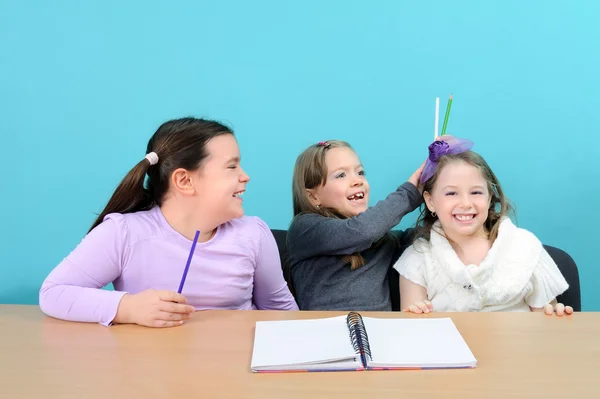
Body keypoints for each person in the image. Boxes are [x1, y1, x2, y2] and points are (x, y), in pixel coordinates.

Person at [39, 117, 298, 327]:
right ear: (184, 181)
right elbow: (53, 292)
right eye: (232, 167)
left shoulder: (253, 234)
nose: (245, 176)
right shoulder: (124, 233)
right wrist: (127, 307)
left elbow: (280, 309)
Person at [394, 136, 572, 316]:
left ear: (489, 198)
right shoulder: (417, 260)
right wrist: (417, 313)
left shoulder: (525, 247)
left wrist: (554, 313)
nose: (465, 203)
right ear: (430, 201)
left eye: (476, 192)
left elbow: (546, 322)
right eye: (451, 193)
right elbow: (412, 331)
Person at [288, 139, 424, 311]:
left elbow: (420, 238)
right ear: (313, 197)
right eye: (341, 175)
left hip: (377, 333)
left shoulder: (383, 239)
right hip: (324, 333)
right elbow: (362, 231)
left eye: (360, 172)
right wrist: (410, 193)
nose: (357, 181)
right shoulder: (304, 228)